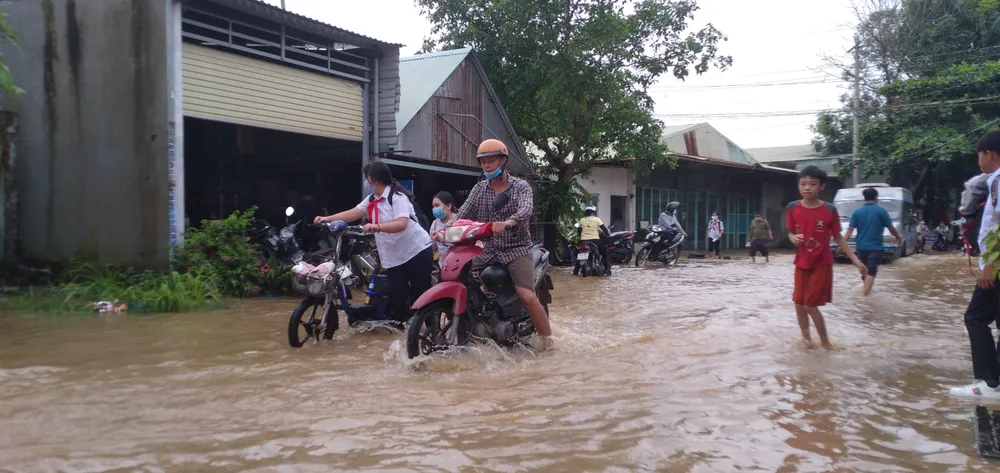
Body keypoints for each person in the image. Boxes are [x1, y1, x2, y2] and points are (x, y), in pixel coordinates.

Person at [451, 138, 553, 344]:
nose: (486, 165)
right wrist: (445, 230)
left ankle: (548, 341)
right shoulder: (479, 189)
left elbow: (526, 209)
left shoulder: (520, 186)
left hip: (516, 249)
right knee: (458, 276)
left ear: (503, 161)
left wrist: (509, 222)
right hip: (488, 249)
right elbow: (462, 214)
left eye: (491, 161)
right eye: (483, 162)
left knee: (527, 296)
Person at [314, 161, 433, 327]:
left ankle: (432, 332)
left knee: (423, 295)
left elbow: (401, 224)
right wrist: (328, 218)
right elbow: (354, 212)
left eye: (366, 178)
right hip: (394, 257)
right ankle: (405, 335)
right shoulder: (372, 199)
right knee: (397, 297)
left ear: (374, 180)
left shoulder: (397, 197)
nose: (365, 182)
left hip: (416, 252)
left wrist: (377, 227)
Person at [786, 166, 868, 349]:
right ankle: (807, 340)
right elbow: (790, 233)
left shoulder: (829, 210)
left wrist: (855, 260)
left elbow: (838, 236)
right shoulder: (792, 207)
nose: (807, 188)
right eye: (803, 184)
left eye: (813, 184)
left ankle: (825, 343)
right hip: (801, 262)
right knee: (798, 303)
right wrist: (793, 239)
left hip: (821, 263)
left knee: (809, 305)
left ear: (821, 187)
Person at [950, 131, 1000, 398]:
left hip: (997, 265)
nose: (979, 160)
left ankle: (989, 384)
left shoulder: (997, 182)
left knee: (975, 318)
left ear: (988, 154)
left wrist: (989, 265)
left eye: (979, 155)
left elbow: (999, 227)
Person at [844, 187, 901, 297]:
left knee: (864, 271)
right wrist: (897, 236)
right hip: (876, 247)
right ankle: (865, 297)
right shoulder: (881, 211)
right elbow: (891, 228)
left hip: (861, 247)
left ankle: (867, 291)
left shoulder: (857, 212)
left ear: (864, 198)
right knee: (871, 272)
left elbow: (850, 230)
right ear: (876, 198)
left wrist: (843, 243)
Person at [576, 205, 612, 276]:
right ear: (593, 212)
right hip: (594, 240)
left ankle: (575, 271)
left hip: (583, 241)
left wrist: (580, 237)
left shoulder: (582, 220)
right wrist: (608, 235)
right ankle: (607, 269)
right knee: (605, 249)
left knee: (579, 254)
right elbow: (604, 229)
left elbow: (579, 231)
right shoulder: (597, 219)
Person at [430, 191, 457, 261]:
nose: (434, 209)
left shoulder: (458, 221)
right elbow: (432, 245)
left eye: (437, 205)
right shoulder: (435, 224)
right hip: (443, 264)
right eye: (433, 206)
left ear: (448, 206)